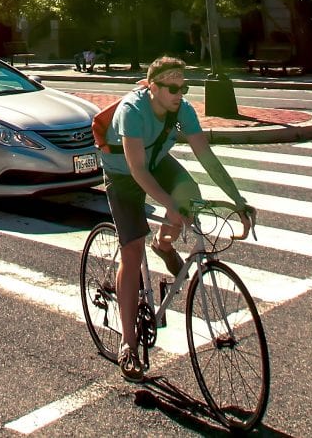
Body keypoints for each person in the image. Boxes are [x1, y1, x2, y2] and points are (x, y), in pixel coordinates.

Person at [102, 54, 253, 380]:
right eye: (171, 87)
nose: (178, 93)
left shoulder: (182, 110)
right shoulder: (132, 110)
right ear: (152, 86)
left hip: (155, 161)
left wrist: (237, 199)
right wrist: (168, 205)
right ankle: (128, 345)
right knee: (132, 250)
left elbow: (205, 155)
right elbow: (137, 169)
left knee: (191, 195)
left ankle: (164, 243)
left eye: (182, 87)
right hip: (124, 172)